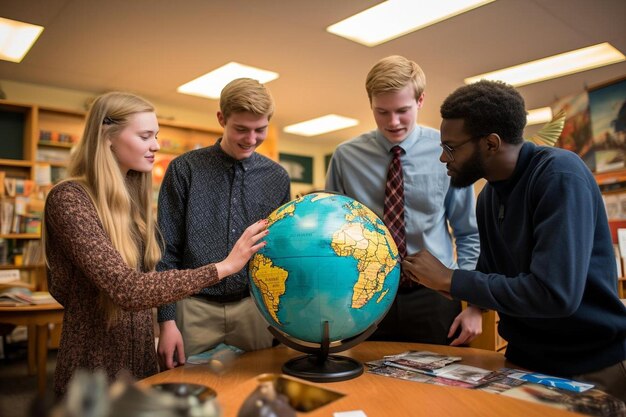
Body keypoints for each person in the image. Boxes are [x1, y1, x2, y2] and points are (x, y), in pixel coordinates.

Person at [402, 80, 626, 401]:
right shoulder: (489, 196)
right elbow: (492, 272)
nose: (442, 158)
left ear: (491, 143)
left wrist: (451, 279)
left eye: (451, 148)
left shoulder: (559, 176)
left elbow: (554, 295)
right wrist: (465, 299)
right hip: (525, 362)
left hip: (589, 366)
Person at [44, 92, 269, 397]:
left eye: (157, 135)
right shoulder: (69, 199)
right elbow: (128, 288)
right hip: (94, 369)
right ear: (107, 137)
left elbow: (152, 275)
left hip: (140, 365)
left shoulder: (132, 204)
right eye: (145, 136)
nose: (156, 145)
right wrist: (225, 267)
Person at [325, 55, 482, 345]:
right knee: (370, 384)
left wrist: (474, 305)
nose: (393, 122)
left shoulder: (447, 152)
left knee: (439, 386)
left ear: (420, 101)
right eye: (381, 111)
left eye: (402, 110)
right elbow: (331, 230)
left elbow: (468, 233)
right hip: (366, 294)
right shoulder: (346, 157)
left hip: (435, 295)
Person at [156, 78, 291, 369]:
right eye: (241, 129)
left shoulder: (277, 178)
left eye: (260, 130)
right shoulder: (184, 169)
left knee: (256, 389)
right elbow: (166, 252)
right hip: (193, 308)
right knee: (189, 394)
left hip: (252, 309)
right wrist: (166, 321)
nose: (251, 139)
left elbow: (279, 254)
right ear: (221, 119)